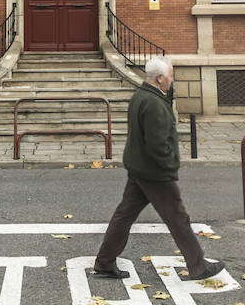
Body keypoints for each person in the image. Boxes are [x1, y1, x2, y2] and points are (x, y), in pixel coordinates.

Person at [92, 55, 224, 281]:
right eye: (171, 76)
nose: (172, 80)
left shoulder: (141, 96)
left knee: (124, 215)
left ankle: (105, 261)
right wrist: (170, 165)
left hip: (139, 168)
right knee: (178, 217)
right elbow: (157, 144)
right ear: (160, 78)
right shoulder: (154, 103)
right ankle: (198, 265)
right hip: (154, 172)